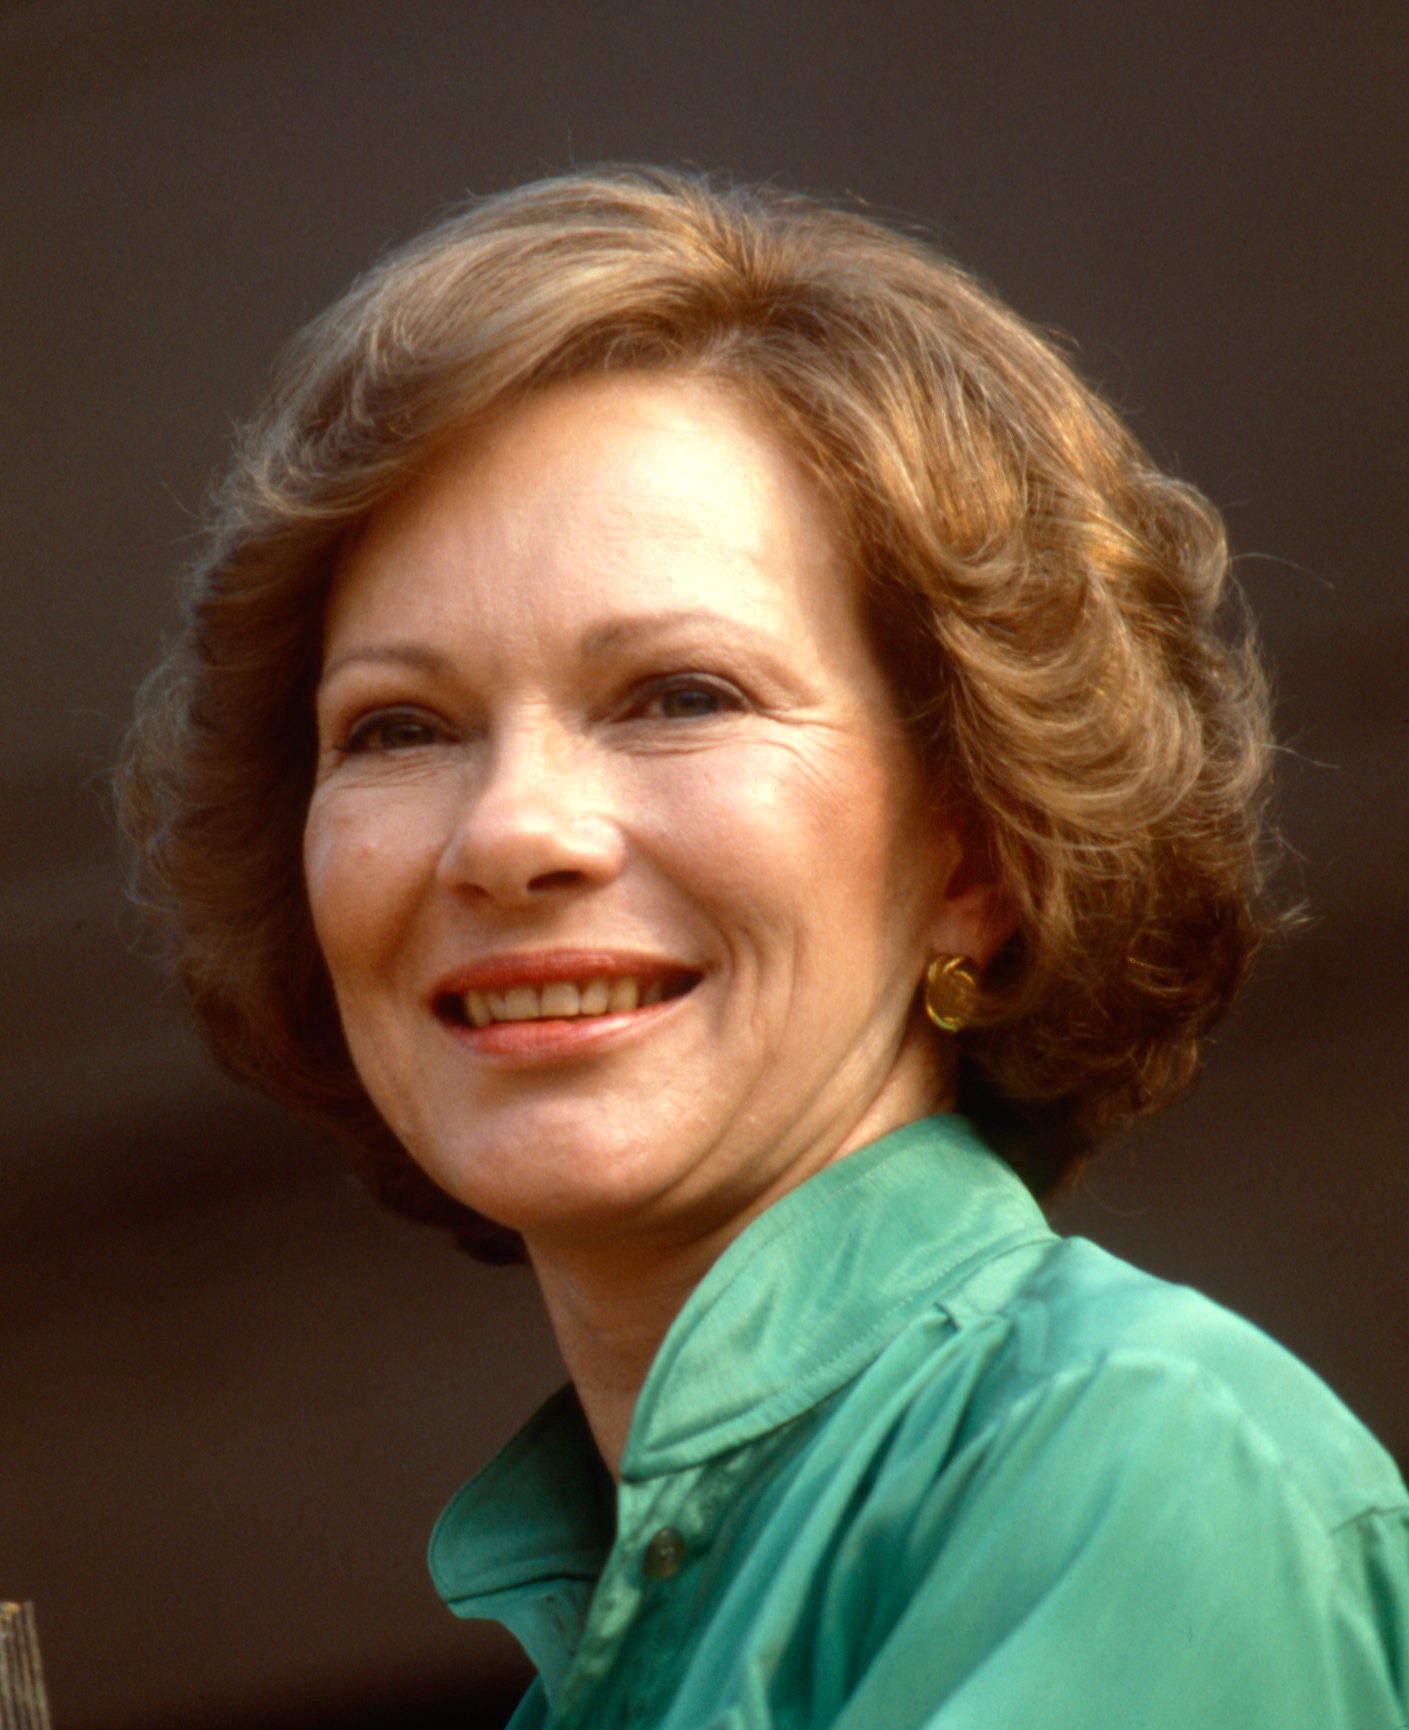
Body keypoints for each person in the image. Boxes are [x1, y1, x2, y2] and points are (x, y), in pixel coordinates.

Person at [119, 168, 1409, 1728]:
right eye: (398, 726)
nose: (512, 832)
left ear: (978, 851)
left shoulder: (1135, 1464)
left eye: (680, 695)